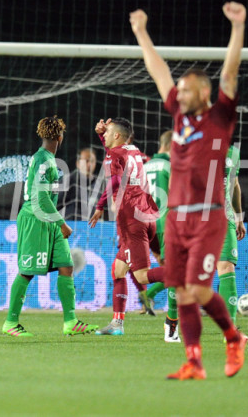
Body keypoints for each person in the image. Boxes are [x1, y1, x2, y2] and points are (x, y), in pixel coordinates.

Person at [130, 2, 248, 380]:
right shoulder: (179, 117)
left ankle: (234, 337)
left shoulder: (220, 116)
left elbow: (229, 72)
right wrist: (141, 33)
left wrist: (238, 27)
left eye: (185, 90)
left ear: (204, 91)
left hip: (208, 217)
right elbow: (159, 71)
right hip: (177, 218)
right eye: (178, 91)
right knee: (181, 292)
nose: (178, 95)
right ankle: (194, 362)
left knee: (196, 291)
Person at [2, 115, 99, 337]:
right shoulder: (44, 160)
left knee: (66, 266)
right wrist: (61, 223)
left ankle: (70, 322)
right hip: (35, 218)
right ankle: (10, 322)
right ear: (59, 136)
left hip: (49, 218)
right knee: (27, 272)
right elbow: (41, 198)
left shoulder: (47, 159)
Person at [88, 118, 164, 336]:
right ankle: (117, 324)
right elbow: (115, 156)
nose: (105, 134)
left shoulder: (114, 154)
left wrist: (100, 205)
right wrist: (102, 136)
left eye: (108, 132)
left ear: (117, 136)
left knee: (142, 276)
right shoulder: (133, 150)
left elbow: (114, 181)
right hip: (148, 215)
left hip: (132, 221)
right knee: (118, 270)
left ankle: (182, 275)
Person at [142, 130, 181, 342]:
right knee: (177, 272)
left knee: (170, 270)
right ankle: (172, 324)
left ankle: (147, 294)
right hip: (167, 224)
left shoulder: (145, 166)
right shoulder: (171, 166)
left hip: (146, 225)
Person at [218, 144, 246, 324]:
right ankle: (172, 322)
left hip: (224, 217)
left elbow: (234, 184)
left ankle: (230, 330)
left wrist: (239, 218)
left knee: (227, 268)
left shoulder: (233, 152)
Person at [58, 147, 98, 220]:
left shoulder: (99, 184)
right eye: (86, 161)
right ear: (78, 163)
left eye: (92, 161)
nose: (89, 164)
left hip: (91, 225)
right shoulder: (68, 181)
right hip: (69, 224)